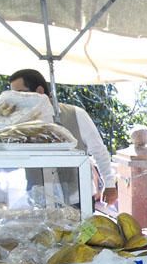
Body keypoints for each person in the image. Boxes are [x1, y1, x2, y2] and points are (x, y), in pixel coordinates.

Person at [8, 69, 117, 205]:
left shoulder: (75, 114)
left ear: (39, 91)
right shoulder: (18, 125)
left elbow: (98, 151)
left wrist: (110, 184)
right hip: (41, 202)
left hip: (78, 199)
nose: (16, 99)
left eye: (20, 94)